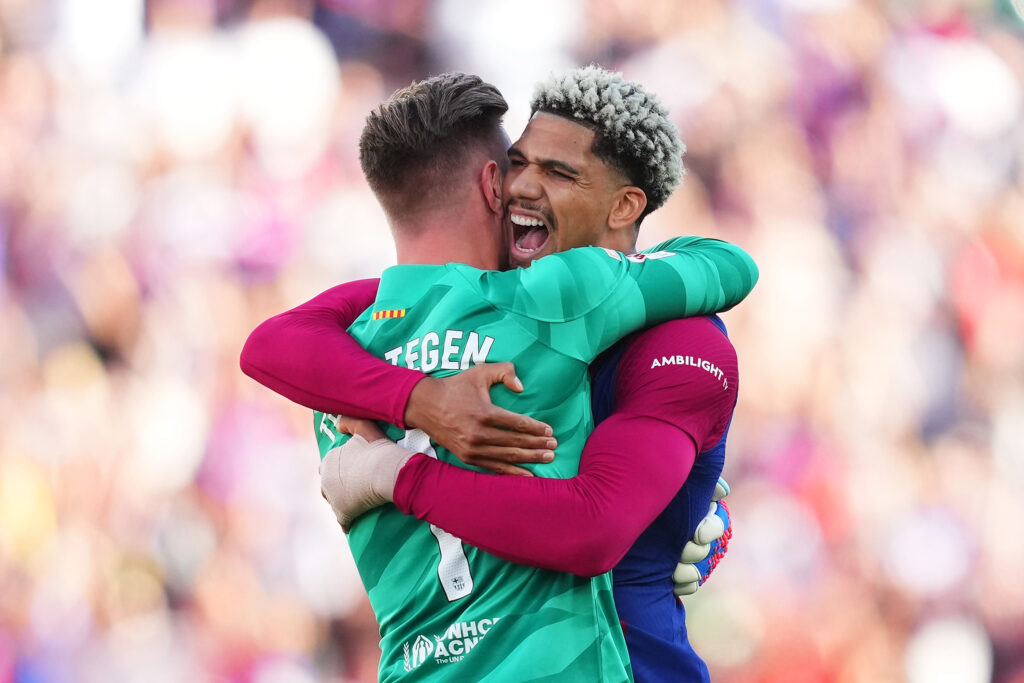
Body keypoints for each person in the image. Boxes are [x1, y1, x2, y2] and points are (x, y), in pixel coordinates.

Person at [242, 68, 757, 682]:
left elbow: (599, 523)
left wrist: (392, 470)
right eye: (518, 163)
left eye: (559, 173)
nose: (523, 188)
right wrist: (423, 401)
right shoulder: (518, 305)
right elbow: (727, 262)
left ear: (624, 206)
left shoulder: (680, 339)